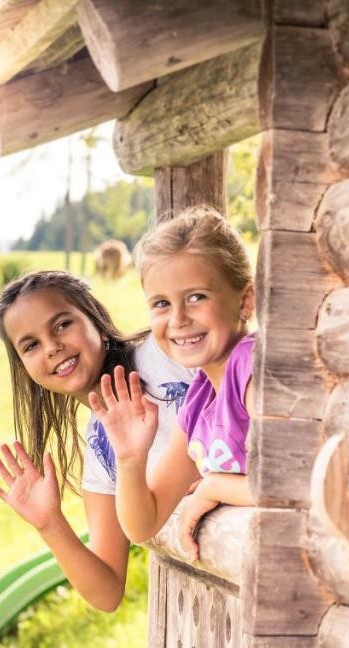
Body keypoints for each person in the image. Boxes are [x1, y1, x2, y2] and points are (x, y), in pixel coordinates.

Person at [0, 270, 195, 611]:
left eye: (62, 325)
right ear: (23, 366)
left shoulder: (166, 354)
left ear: (95, 319)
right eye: (31, 345)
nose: (52, 347)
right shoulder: (102, 450)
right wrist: (50, 524)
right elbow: (106, 593)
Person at [91, 206, 256, 561]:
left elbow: (304, 483)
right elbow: (142, 524)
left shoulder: (254, 371)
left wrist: (215, 485)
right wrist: (131, 458)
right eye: (162, 303)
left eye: (196, 297)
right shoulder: (201, 397)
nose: (178, 319)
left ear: (245, 301)